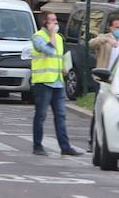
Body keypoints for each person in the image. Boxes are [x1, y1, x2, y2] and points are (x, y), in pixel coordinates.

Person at [30, 12, 82, 157]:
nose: (56, 23)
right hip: (43, 82)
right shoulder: (38, 37)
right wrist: (52, 34)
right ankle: (37, 145)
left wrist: (64, 68)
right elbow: (49, 50)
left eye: (56, 20)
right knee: (41, 115)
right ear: (45, 23)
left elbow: (59, 56)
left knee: (61, 116)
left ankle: (65, 147)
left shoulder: (59, 38)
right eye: (52, 21)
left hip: (58, 82)